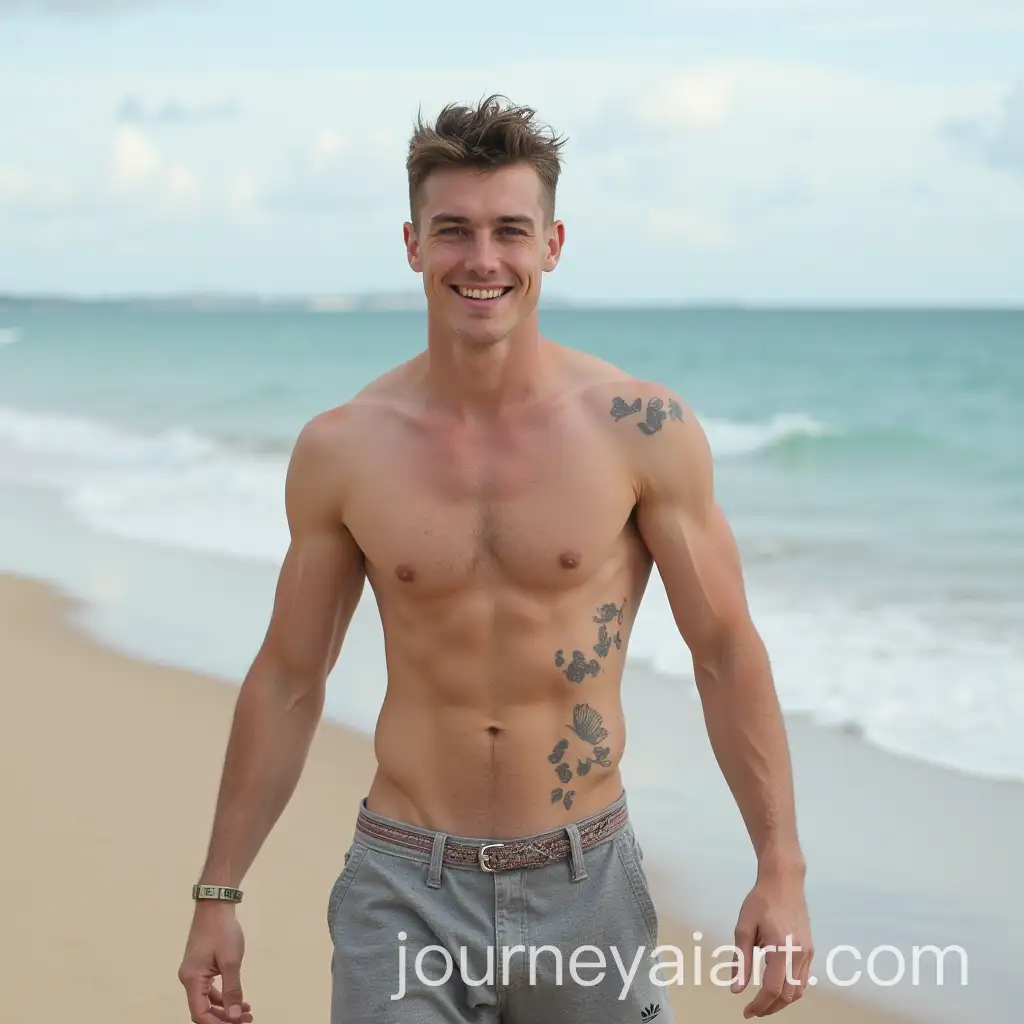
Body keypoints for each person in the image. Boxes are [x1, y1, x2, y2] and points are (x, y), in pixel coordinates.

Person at [178, 94, 813, 1024]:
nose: (483, 260)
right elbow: (287, 679)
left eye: (511, 231)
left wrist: (781, 869)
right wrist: (218, 894)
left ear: (551, 245)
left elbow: (724, 651)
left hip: (587, 881)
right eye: (454, 232)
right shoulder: (345, 448)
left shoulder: (640, 430)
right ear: (412, 244)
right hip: (403, 888)